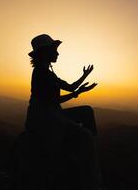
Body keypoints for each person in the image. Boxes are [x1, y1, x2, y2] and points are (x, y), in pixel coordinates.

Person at [25, 34, 101, 190]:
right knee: (86, 136)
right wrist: (79, 87)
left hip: (52, 112)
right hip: (46, 117)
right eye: (54, 50)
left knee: (86, 111)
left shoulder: (45, 72)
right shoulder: (43, 73)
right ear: (45, 52)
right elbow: (61, 95)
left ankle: (88, 146)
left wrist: (80, 86)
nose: (57, 53)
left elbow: (64, 93)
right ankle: (93, 182)